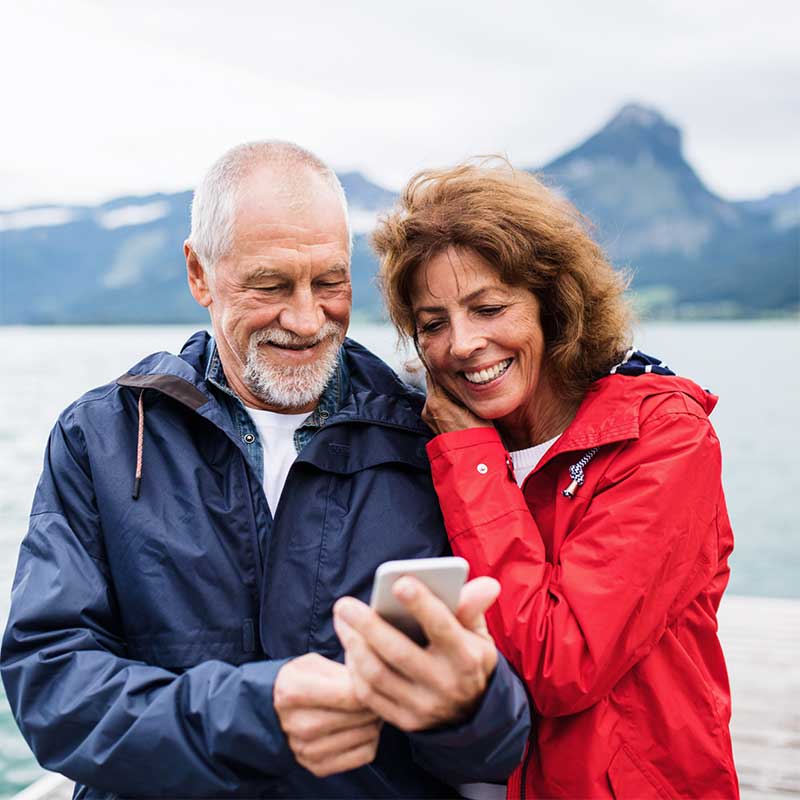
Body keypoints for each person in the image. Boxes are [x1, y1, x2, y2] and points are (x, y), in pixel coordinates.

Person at [0, 143, 530, 798]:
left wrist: (469, 703)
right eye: (271, 285)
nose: (307, 319)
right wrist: (252, 714)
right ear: (199, 274)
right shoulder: (101, 438)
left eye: (329, 282)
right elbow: (50, 688)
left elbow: (505, 738)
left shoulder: (432, 437)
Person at [347, 160, 740, 798]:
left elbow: (562, 662)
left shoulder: (664, 437)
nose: (464, 343)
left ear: (553, 304)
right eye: (433, 323)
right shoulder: (436, 440)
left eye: (489, 307)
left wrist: (471, 460)